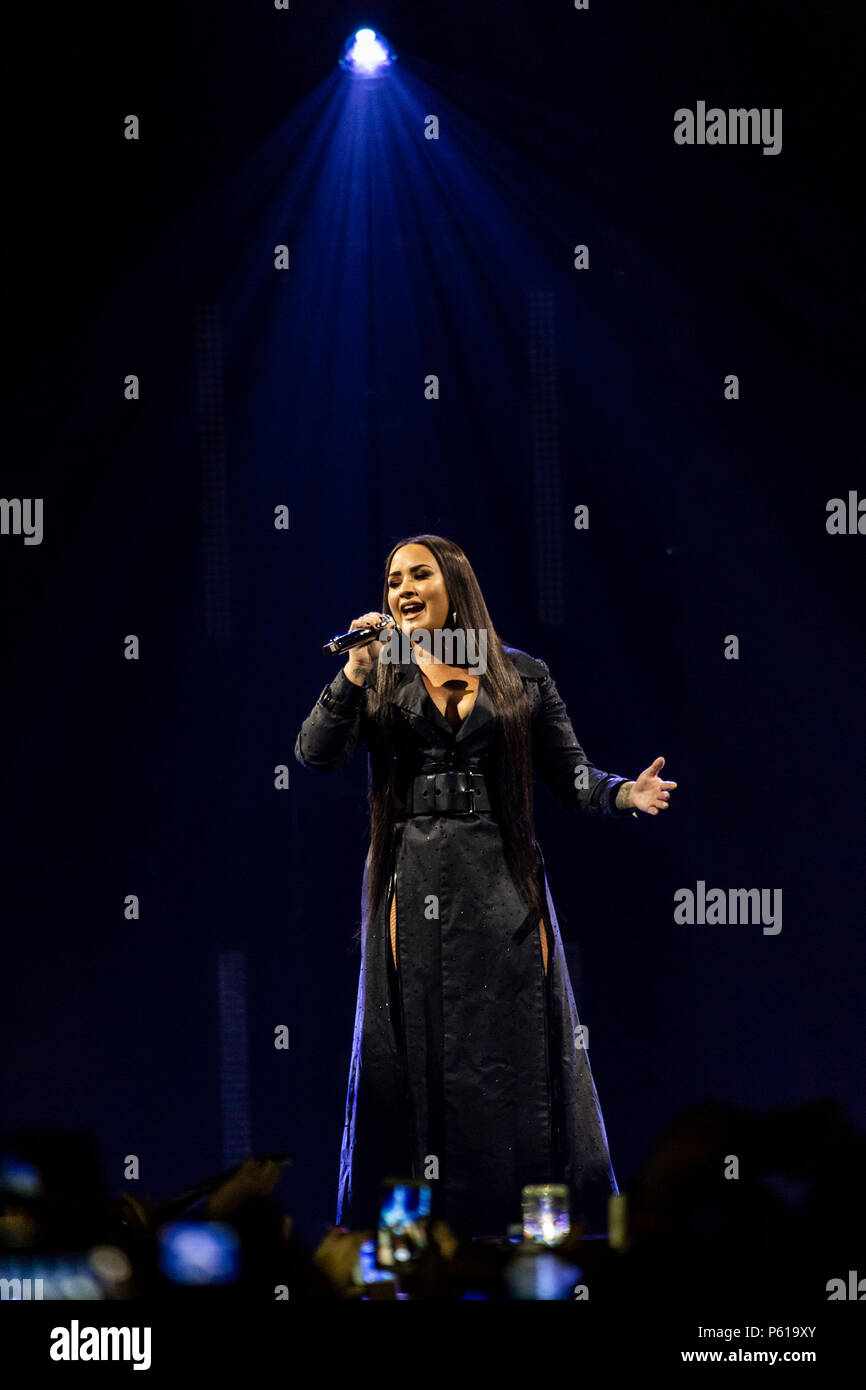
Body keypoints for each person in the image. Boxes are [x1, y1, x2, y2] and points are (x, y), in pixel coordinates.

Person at [294, 534, 676, 1239]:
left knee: (521, 1059)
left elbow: (574, 778)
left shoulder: (520, 675)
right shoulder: (381, 672)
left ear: (455, 585)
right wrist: (353, 671)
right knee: (413, 1060)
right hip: (415, 882)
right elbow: (315, 754)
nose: (401, 588)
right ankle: (409, 1248)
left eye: (419, 575)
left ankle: (543, 1239)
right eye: (391, 579)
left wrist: (626, 794)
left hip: (501, 888)